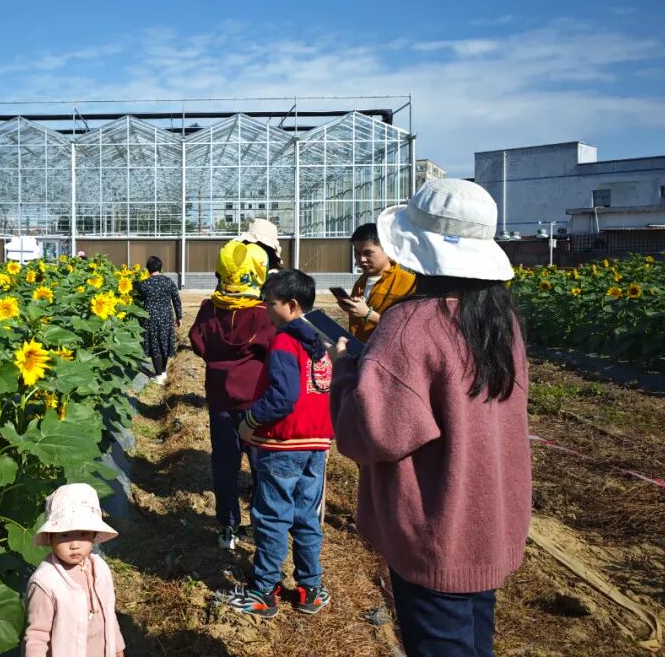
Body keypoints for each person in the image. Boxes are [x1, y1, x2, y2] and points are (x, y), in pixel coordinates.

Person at [328, 179, 530, 657]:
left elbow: (368, 434)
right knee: (477, 641)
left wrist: (344, 371)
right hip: (490, 519)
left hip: (436, 529)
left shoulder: (411, 323)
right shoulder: (500, 319)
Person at [218, 269, 333, 618]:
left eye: (271, 304)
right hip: (317, 441)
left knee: (271, 517)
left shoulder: (285, 341)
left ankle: (263, 592)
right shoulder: (322, 337)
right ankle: (309, 589)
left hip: (284, 441)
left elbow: (283, 397)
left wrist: (251, 422)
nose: (266, 310)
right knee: (305, 516)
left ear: (292, 305)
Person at [189, 240, 276, 550]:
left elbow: (197, 343)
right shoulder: (266, 314)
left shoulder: (209, 309)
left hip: (220, 399)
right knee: (261, 467)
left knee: (224, 465)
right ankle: (262, 525)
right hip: (257, 402)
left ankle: (227, 527)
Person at [24, 483, 126, 657]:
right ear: (50, 537)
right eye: (64, 535)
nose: (74, 544)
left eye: (83, 534)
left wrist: (117, 647)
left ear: (94, 535)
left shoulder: (100, 568)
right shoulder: (45, 583)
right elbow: (37, 636)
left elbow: (109, 613)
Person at [335, 223, 415, 343]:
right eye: (357, 253)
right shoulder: (361, 282)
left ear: (387, 250)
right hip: (360, 353)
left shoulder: (407, 283)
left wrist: (368, 315)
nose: (361, 259)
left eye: (368, 253)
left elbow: (409, 329)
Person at [133, 256, 182, 384]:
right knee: (164, 343)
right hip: (166, 317)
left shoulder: (145, 284)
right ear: (161, 268)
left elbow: (133, 290)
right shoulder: (168, 282)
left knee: (155, 345)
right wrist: (179, 317)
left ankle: (159, 375)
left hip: (151, 318)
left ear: (148, 268)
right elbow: (176, 300)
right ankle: (163, 371)